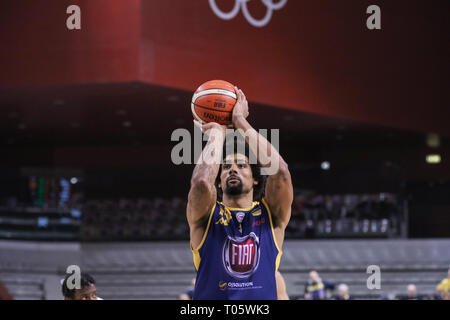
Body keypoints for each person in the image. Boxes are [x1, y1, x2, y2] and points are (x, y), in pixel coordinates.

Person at [187, 87, 293, 299]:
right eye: (226, 167)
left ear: (255, 179)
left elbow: (280, 171)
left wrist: (240, 121)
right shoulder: (206, 216)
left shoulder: (271, 215)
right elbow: (200, 183)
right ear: (218, 183)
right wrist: (217, 135)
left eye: (242, 165)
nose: (232, 169)